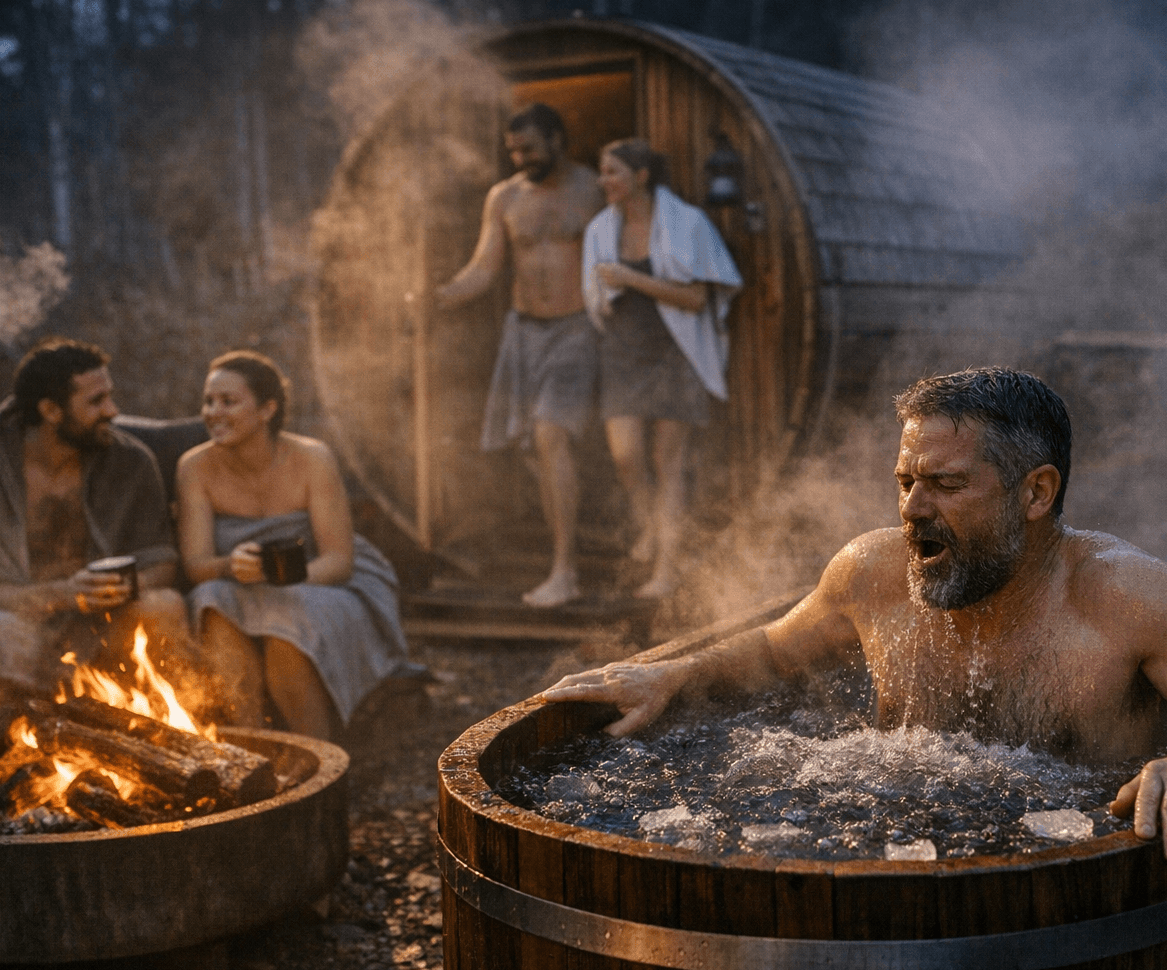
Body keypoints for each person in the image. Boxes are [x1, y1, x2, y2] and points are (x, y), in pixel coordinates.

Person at [543, 367, 1167, 865]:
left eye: (947, 486)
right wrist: (677, 673)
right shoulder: (871, 571)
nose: (912, 510)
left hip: (1079, 887)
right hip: (893, 860)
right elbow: (776, 652)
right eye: (904, 480)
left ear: (1036, 492)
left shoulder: (1128, 599)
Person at [0, 339, 188, 716]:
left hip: (109, 629)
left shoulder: (130, 463)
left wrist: (124, 587)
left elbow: (163, 563)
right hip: (27, 630)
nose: (113, 411)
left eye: (109, 396)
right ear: (51, 410)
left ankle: (170, 750)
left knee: (164, 607)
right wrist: (62, 594)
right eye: (96, 401)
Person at [176, 350, 408, 742]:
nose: (214, 412)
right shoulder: (194, 467)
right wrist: (232, 566)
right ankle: (249, 750)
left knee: (286, 627)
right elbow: (197, 566)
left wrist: (279, 574)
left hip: (325, 579)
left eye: (229, 401)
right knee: (211, 602)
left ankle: (319, 761)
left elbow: (338, 561)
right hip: (239, 582)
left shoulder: (312, 458)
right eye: (209, 401)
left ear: (267, 409)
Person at [435, 103, 605, 608]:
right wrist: (439, 296)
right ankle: (567, 554)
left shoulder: (593, 188)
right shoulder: (504, 196)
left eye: (529, 148)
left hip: (577, 328)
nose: (520, 158)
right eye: (512, 150)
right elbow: (485, 267)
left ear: (557, 140)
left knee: (550, 434)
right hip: (523, 333)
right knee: (535, 449)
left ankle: (564, 572)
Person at [582, 139, 743, 598]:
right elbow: (597, 296)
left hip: (676, 352)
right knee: (626, 457)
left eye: (612, 172)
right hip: (624, 352)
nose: (604, 180)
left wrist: (630, 278)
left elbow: (694, 299)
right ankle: (651, 525)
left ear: (641, 176)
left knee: (667, 463)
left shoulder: (685, 222)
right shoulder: (600, 229)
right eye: (602, 172)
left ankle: (667, 570)